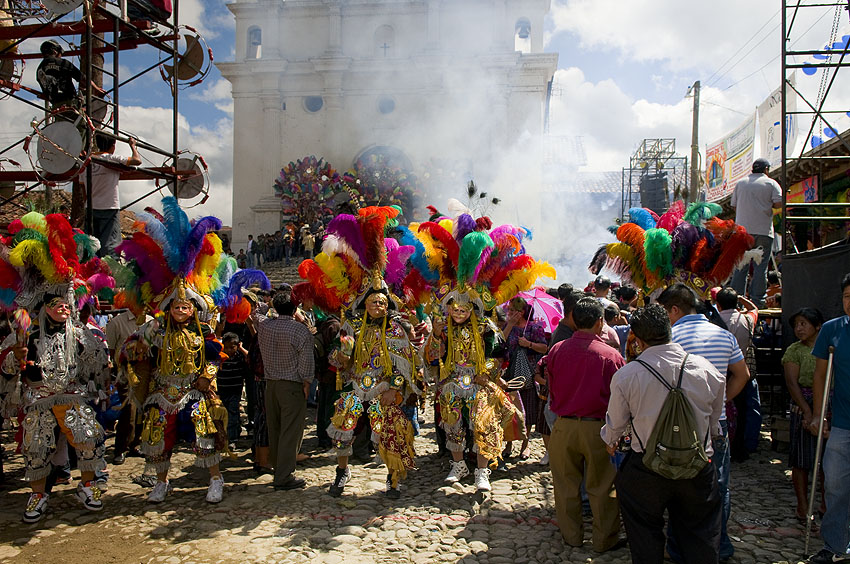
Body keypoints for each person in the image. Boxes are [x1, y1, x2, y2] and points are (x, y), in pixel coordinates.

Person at [602, 304, 726, 564]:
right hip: (696, 466)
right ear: (669, 331)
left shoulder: (627, 375)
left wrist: (610, 441)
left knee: (644, 532)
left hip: (646, 467)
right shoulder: (706, 370)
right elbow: (714, 423)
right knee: (701, 533)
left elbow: (616, 423)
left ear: (638, 338)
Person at [657, 283, 750, 563]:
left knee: (677, 487)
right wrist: (719, 401)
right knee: (718, 488)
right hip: (716, 424)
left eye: (665, 311)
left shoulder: (670, 336)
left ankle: (676, 546)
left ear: (674, 309)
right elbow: (741, 374)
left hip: (678, 425)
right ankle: (719, 545)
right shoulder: (724, 335)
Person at [547, 298, 625, 552]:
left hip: (563, 426)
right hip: (598, 428)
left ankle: (572, 537)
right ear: (600, 321)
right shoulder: (611, 355)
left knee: (565, 485)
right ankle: (604, 540)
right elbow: (620, 395)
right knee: (602, 486)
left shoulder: (558, 349)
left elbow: (549, 379)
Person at [426, 288, 523, 492]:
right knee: (452, 423)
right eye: (455, 310)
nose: (459, 314)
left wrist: (486, 372)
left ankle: (482, 471)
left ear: (472, 309)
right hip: (452, 383)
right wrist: (435, 333)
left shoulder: (485, 328)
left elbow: (499, 355)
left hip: (479, 383)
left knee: (483, 423)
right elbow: (433, 358)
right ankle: (458, 465)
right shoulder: (444, 330)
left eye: (464, 310)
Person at [807, 273, 850, 564]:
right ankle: (834, 545)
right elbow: (821, 376)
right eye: (847, 296)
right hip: (842, 424)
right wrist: (820, 416)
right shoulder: (833, 330)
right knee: (835, 486)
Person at [253, 289, 314, 490]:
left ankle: (278, 467)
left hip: (270, 384)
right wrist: (307, 383)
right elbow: (306, 363)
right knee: (291, 431)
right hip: (292, 385)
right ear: (295, 308)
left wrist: (269, 305)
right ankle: (284, 475)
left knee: (275, 428)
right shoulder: (300, 330)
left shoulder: (264, 325)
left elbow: (256, 311)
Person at [782, 308, 826, 527]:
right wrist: (808, 412)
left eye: (804, 324)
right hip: (803, 406)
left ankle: (825, 503)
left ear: (817, 326)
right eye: (797, 325)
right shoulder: (794, 351)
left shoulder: (827, 349)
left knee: (827, 460)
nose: (799, 329)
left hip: (828, 405)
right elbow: (792, 383)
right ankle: (802, 505)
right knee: (801, 459)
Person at [715, 287, 761, 460]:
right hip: (741, 369)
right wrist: (742, 299)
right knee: (742, 410)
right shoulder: (747, 320)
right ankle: (740, 448)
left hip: (720, 369)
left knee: (721, 411)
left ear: (718, 305)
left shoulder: (713, 321)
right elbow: (754, 309)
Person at [730, 157, 782, 308]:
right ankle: (758, 301)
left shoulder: (740, 183)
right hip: (763, 231)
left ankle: (736, 301)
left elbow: (734, 206)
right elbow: (779, 202)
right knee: (760, 268)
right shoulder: (770, 183)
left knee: (741, 267)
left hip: (742, 233)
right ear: (766, 170)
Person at [502, 296, 548, 460]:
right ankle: (508, 443)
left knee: (527, 410)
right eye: (509, 310)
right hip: (509, 374)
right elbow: (499, 342)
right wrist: (510, 325)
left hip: (528, 374)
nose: (511, 313)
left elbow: (544, 348)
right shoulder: (507, 327)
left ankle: (525, 444)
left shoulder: (534, 328)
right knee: (510, 409)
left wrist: (528, 344)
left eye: (514, 311)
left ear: (522, 312)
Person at [81, 133, 142, 257]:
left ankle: (91, 271)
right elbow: (137, 160)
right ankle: (108, 274)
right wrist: (133, 146)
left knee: (91, 245)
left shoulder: (86, 162)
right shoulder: (112, 158)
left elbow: (83, 189)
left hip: (91, 208)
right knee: (111, 246)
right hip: (109, 207)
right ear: (113, 145)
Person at [106, 308, 152, 465]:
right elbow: (112, 350)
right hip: (126, 372)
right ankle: (121, 448)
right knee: (128, 409)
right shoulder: (116, 322)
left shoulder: (152, 321)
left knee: (143, 409)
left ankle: (135, 443)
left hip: (147, 371)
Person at [218, 333, 251, 450]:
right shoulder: (220, 358)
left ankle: (232, 439)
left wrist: (241, 349)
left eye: (232, 347)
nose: (229, 350)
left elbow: (250, 357)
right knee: (224, 414)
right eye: (226, 347)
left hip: (235, 391)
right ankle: (227, 436)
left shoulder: (239, 357)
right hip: (222, 390)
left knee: (232, 414)